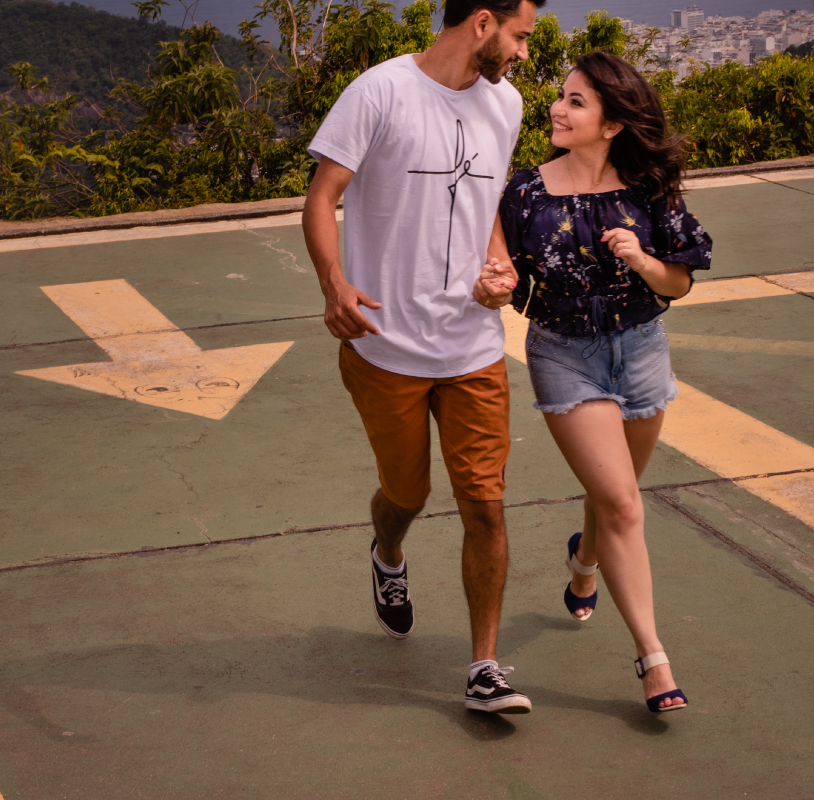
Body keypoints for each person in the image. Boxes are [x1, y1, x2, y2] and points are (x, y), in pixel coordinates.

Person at [302, 0, 543, 714]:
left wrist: (498, 265)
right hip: (385, 347)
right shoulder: (380, 91)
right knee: (407, 495)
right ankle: (388, 557)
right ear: (481, 22)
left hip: (472, 346)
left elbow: (488, 200)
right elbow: (322, 198)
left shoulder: (506, 106)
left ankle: (484, 667)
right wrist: (335, 284)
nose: (524, 53)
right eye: (521, 36)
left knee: (486, 507)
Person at [491, 52, 713, 713]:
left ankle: (584, 561)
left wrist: (643, 259)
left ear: (613, 122)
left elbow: (680, 280)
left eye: (577, 101)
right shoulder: (525, 195)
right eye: (560, 97)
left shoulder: (648, 188)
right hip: (564, 353)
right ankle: (653, 659)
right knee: (621, 504)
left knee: (614, 496)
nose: (558, 108)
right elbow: (501, 276)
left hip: (641, 348)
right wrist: (491, 283)